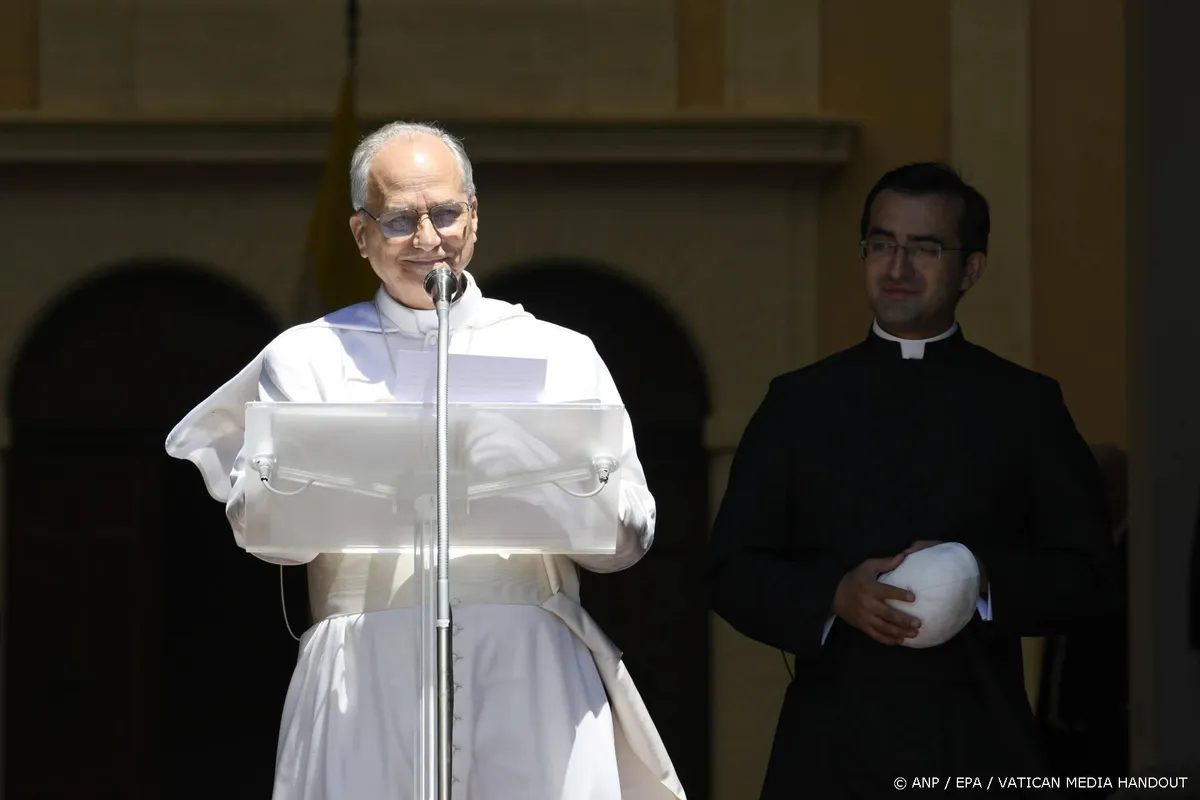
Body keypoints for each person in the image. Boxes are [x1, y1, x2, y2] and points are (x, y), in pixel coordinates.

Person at [165, 121, 685, 800]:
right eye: (400, 219)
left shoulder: (560, 353)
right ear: (359, 234)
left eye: (445, 213)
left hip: (529, 670)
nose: (428, 239)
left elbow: (624, 542)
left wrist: (553, 475)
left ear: (474, 216)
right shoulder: (307, 356)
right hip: (363, 670)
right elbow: (273, 540)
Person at [706, 162, 1118, 798]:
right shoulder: (798, 404)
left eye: (924, 248)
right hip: (831, 750)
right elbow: (730, 569)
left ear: (970, 269)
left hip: (979, 741)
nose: (897, 268)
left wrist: (980, 579)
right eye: (881, 243)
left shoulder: (1026, 406)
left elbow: (1090, 576)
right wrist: (834, 595)